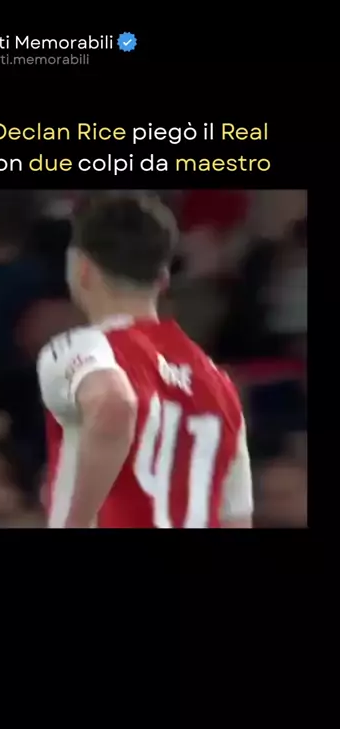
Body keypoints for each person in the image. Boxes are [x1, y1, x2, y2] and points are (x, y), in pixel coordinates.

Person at [37, 196, 253, 529]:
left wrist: (74, 521)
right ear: (163, 279)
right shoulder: (220, 383)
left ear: (82, 270)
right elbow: (236, 519)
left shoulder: (80, 348)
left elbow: (112, 402)